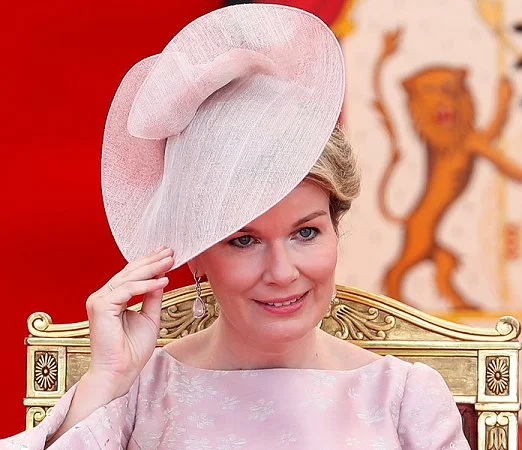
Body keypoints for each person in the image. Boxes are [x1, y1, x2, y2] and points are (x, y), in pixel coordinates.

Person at [1, 4, 470, 449]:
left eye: (306, 232)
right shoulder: (137, 396)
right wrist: (107, 378)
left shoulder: (406, 399)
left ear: (335, 227)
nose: (283, 271)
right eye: (244, 240)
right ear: (197, 253)